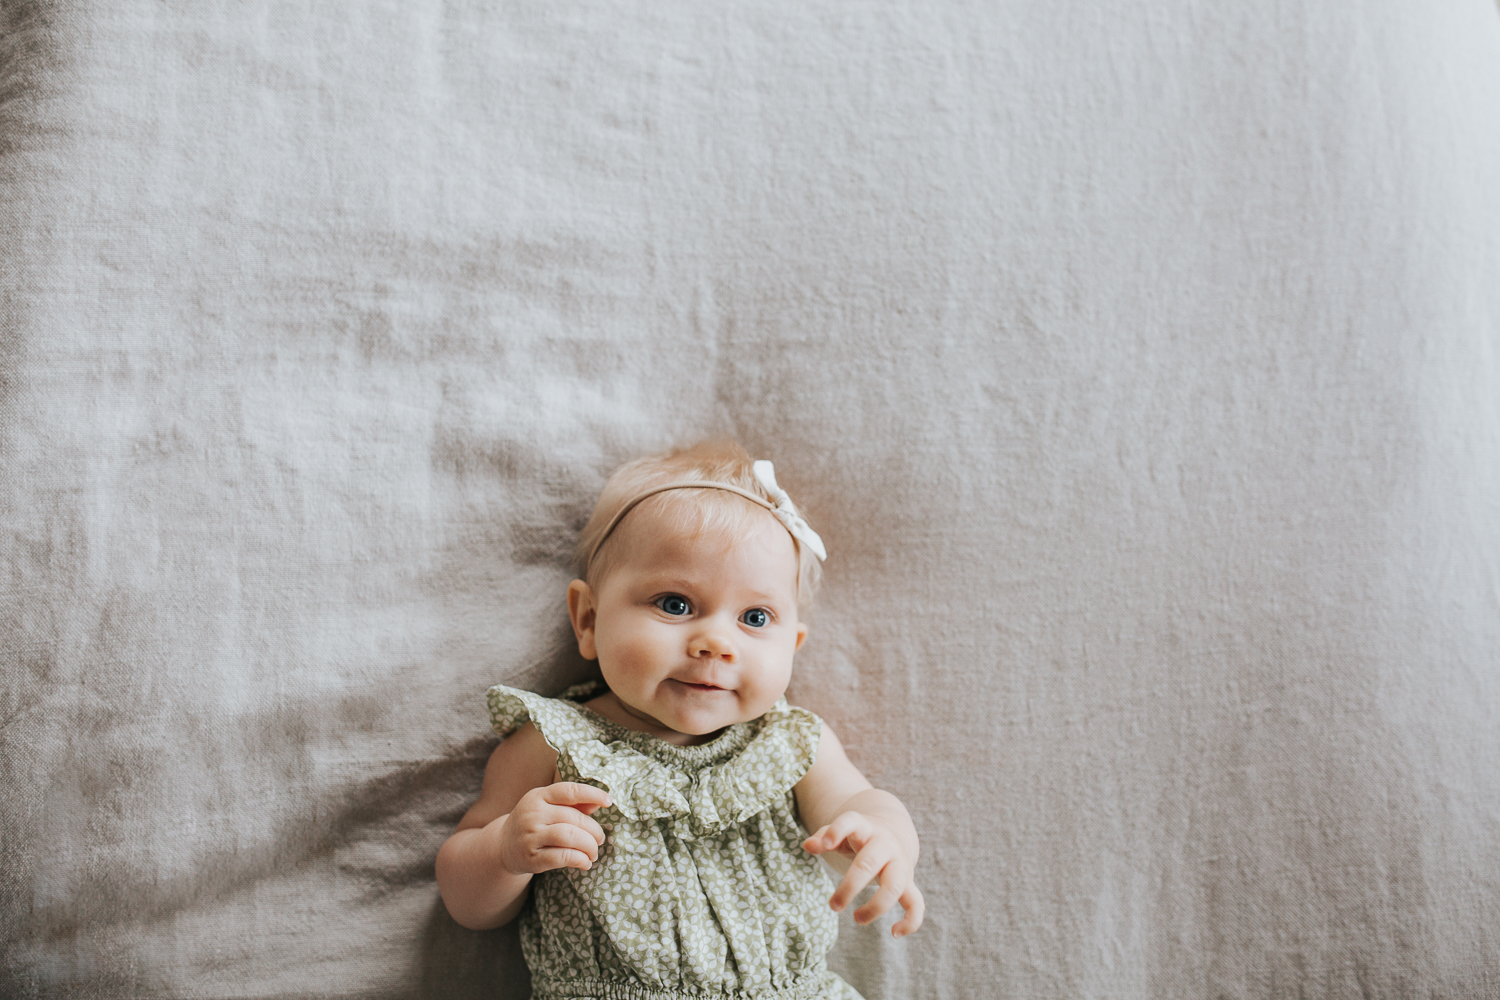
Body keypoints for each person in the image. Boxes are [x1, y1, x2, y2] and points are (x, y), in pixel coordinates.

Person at [436, 440, 923, 999]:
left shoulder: (789, 744)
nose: (716, 642)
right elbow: (466, 901)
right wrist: (504, 851)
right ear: (589, 620)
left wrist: (885, 835)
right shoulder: (552, 742)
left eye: (755, 617)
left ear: (794, 645)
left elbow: (857, 808)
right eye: (675, 604)